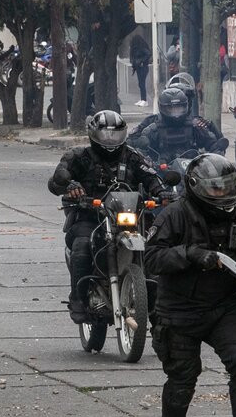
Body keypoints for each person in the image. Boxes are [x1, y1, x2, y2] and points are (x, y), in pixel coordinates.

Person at [144, 154, 236, 417]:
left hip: (224, 307)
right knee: (182, 379)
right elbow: (152, 258)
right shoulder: (173, 215)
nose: (223, 195)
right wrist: (190, 255)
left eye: (228, 187)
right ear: (196, 187)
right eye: (215, 189)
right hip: (179, 310)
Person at [47, 110, 173, 323]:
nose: (110, 140)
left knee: (157, 246)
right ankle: (78, 297)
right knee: (82, 245)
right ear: (93, 134)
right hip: (91, 217)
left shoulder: (133, 156)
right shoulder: (79, 157)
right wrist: (70, 185)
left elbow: (150, 176)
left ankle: (159, 303)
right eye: (106, 135)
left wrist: (162, 192)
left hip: (129, 216)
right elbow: (56, 181)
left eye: (115, 135)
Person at [127, 73, 227, 163]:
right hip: (161, 174)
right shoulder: (153, 126)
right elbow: (133, 144)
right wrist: (144, 157)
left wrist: (217, 158)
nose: (176, 113)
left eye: (179, 108)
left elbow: (214, 144)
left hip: (192, 172)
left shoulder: (195, 125)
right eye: (171, 108)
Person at [130, 33, 151, 107]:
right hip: (139, 67)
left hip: (143, 67)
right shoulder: (136, 48)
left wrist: (142, 61)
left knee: (142, 83)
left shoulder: (141, 47)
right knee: (140, 83)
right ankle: (142, 98)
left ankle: (144, 100)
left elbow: (148, 54)